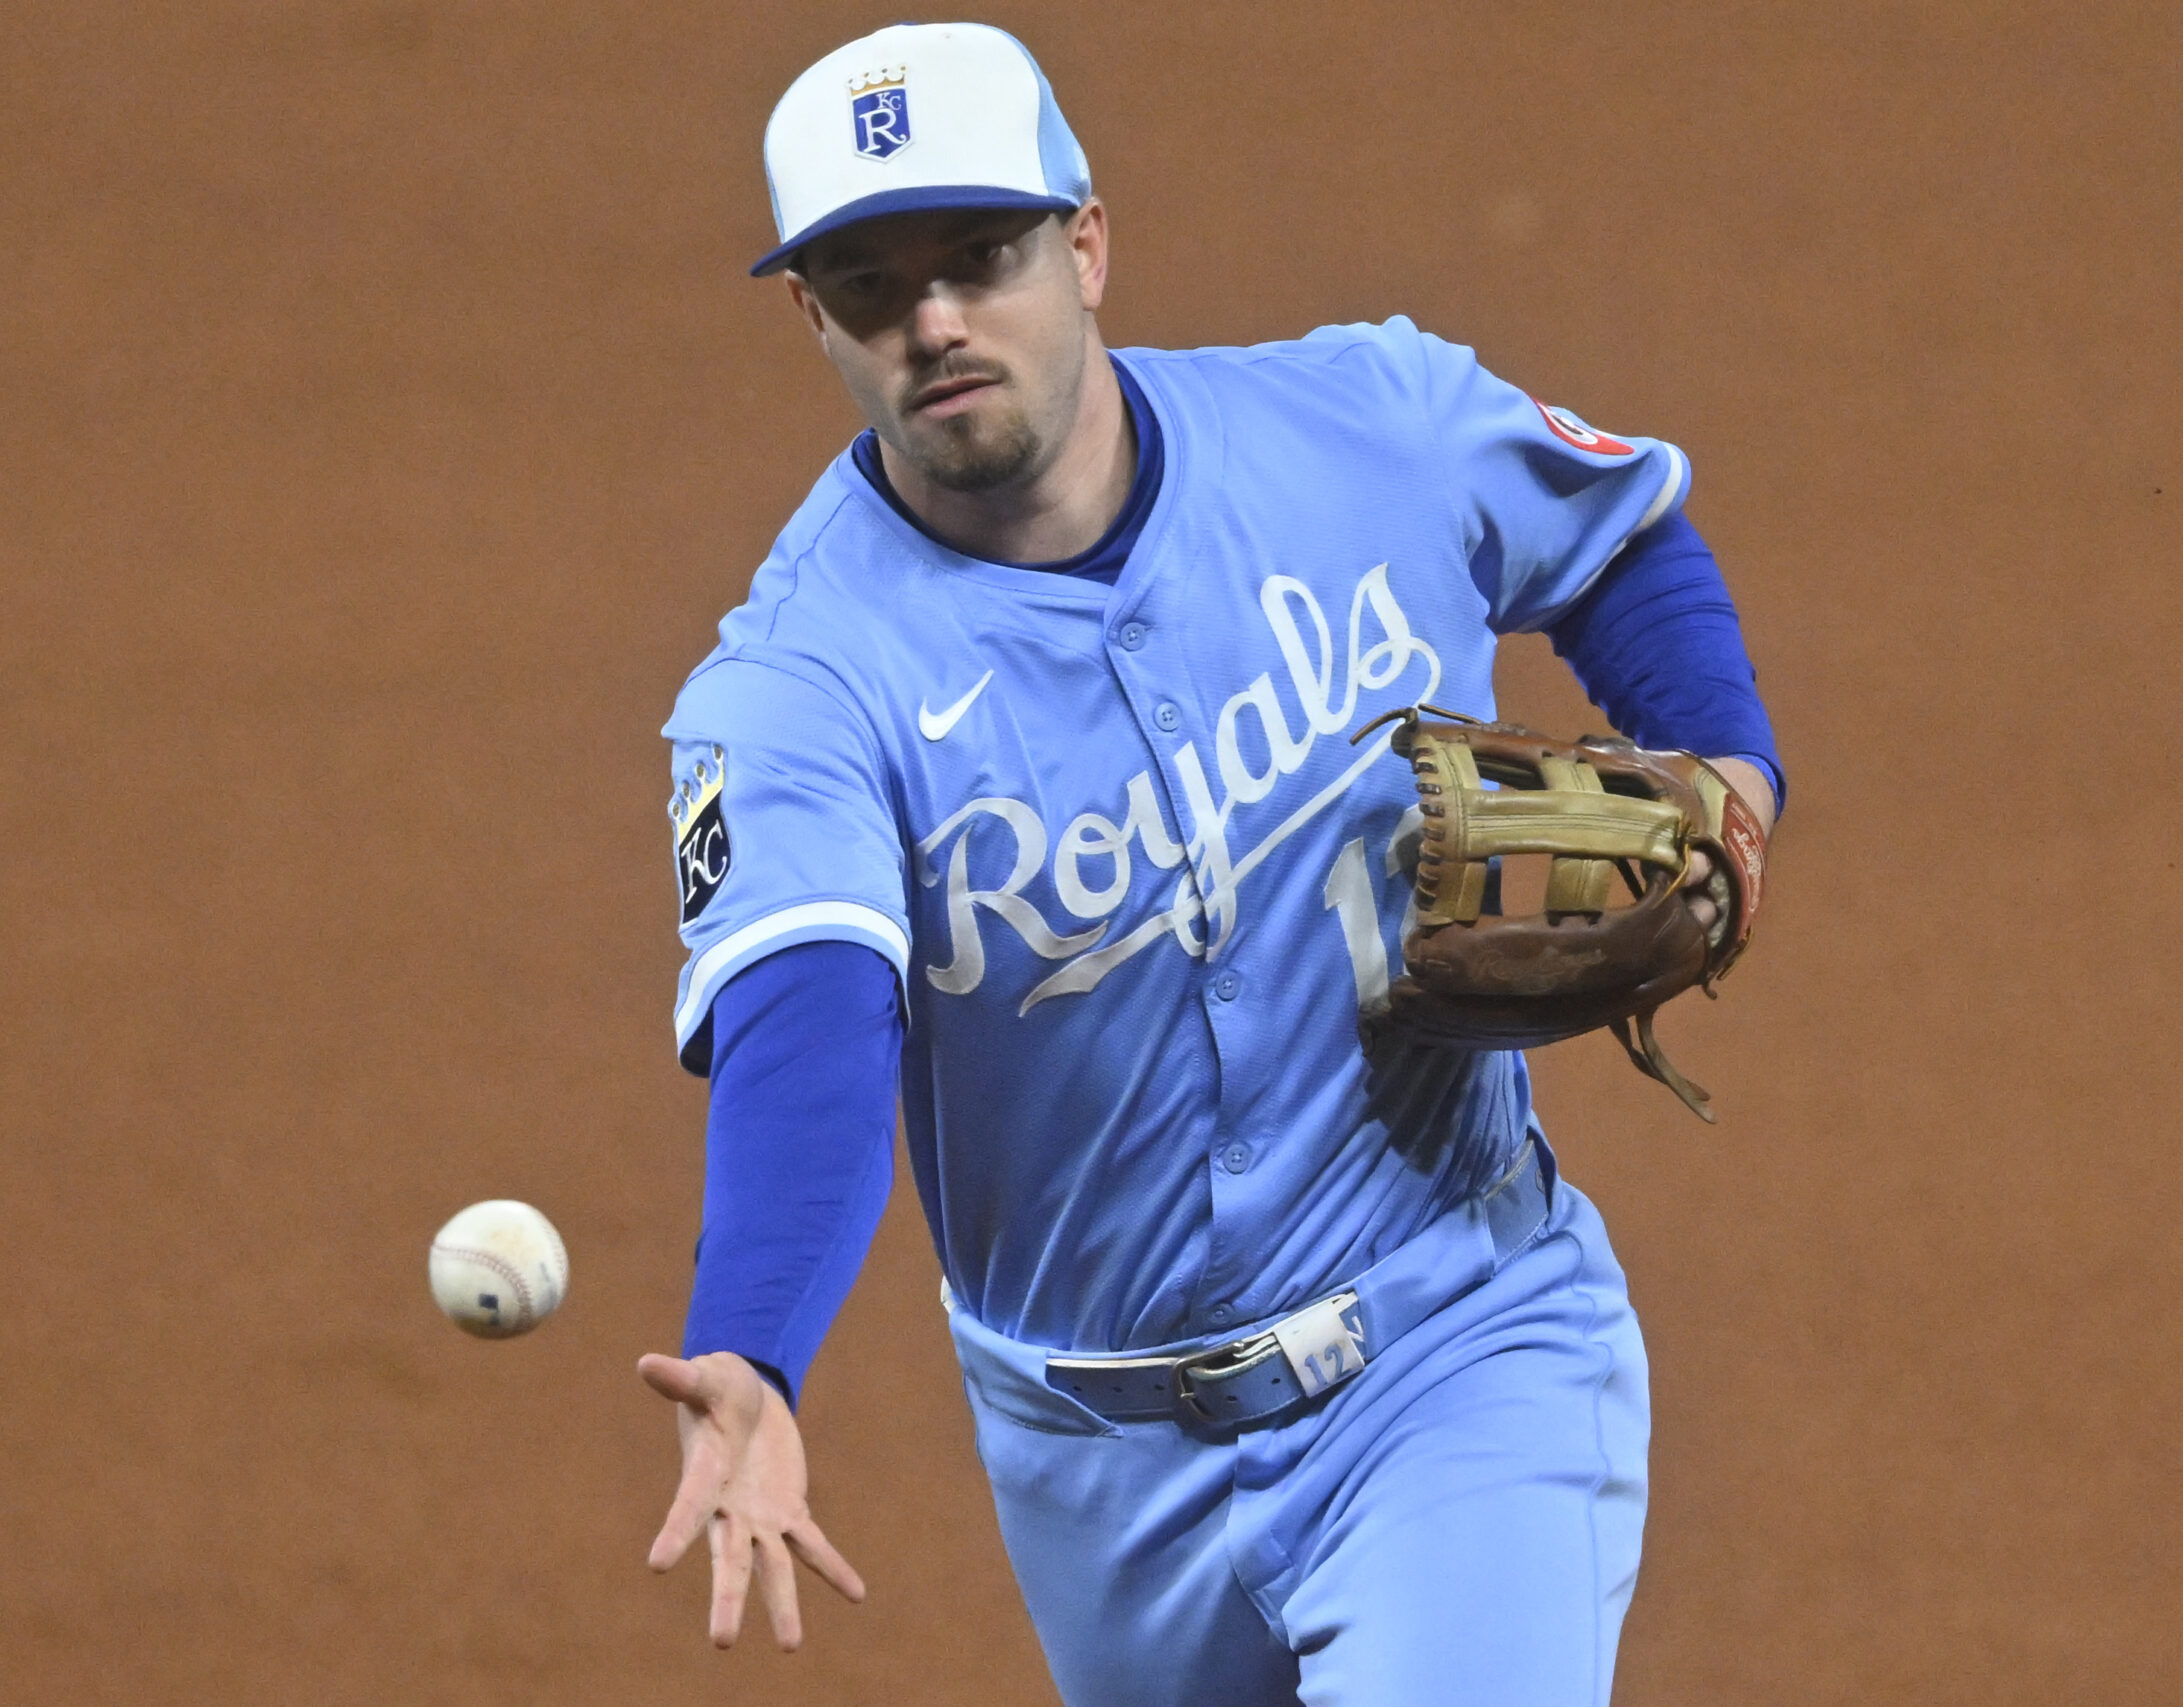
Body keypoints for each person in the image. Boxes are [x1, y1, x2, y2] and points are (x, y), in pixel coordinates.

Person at [639, 22, 1784, 1707]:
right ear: (811, 316)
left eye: (983, 257)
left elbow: (1611, 532)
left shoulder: (1370, 427)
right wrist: (751, 1346)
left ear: (1085, 243)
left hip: (1455, 1345)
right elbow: (809, 1027)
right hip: (1097, 1470)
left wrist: (1736, 774)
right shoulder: (793, 686)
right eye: (873, 285)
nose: (936, 321)